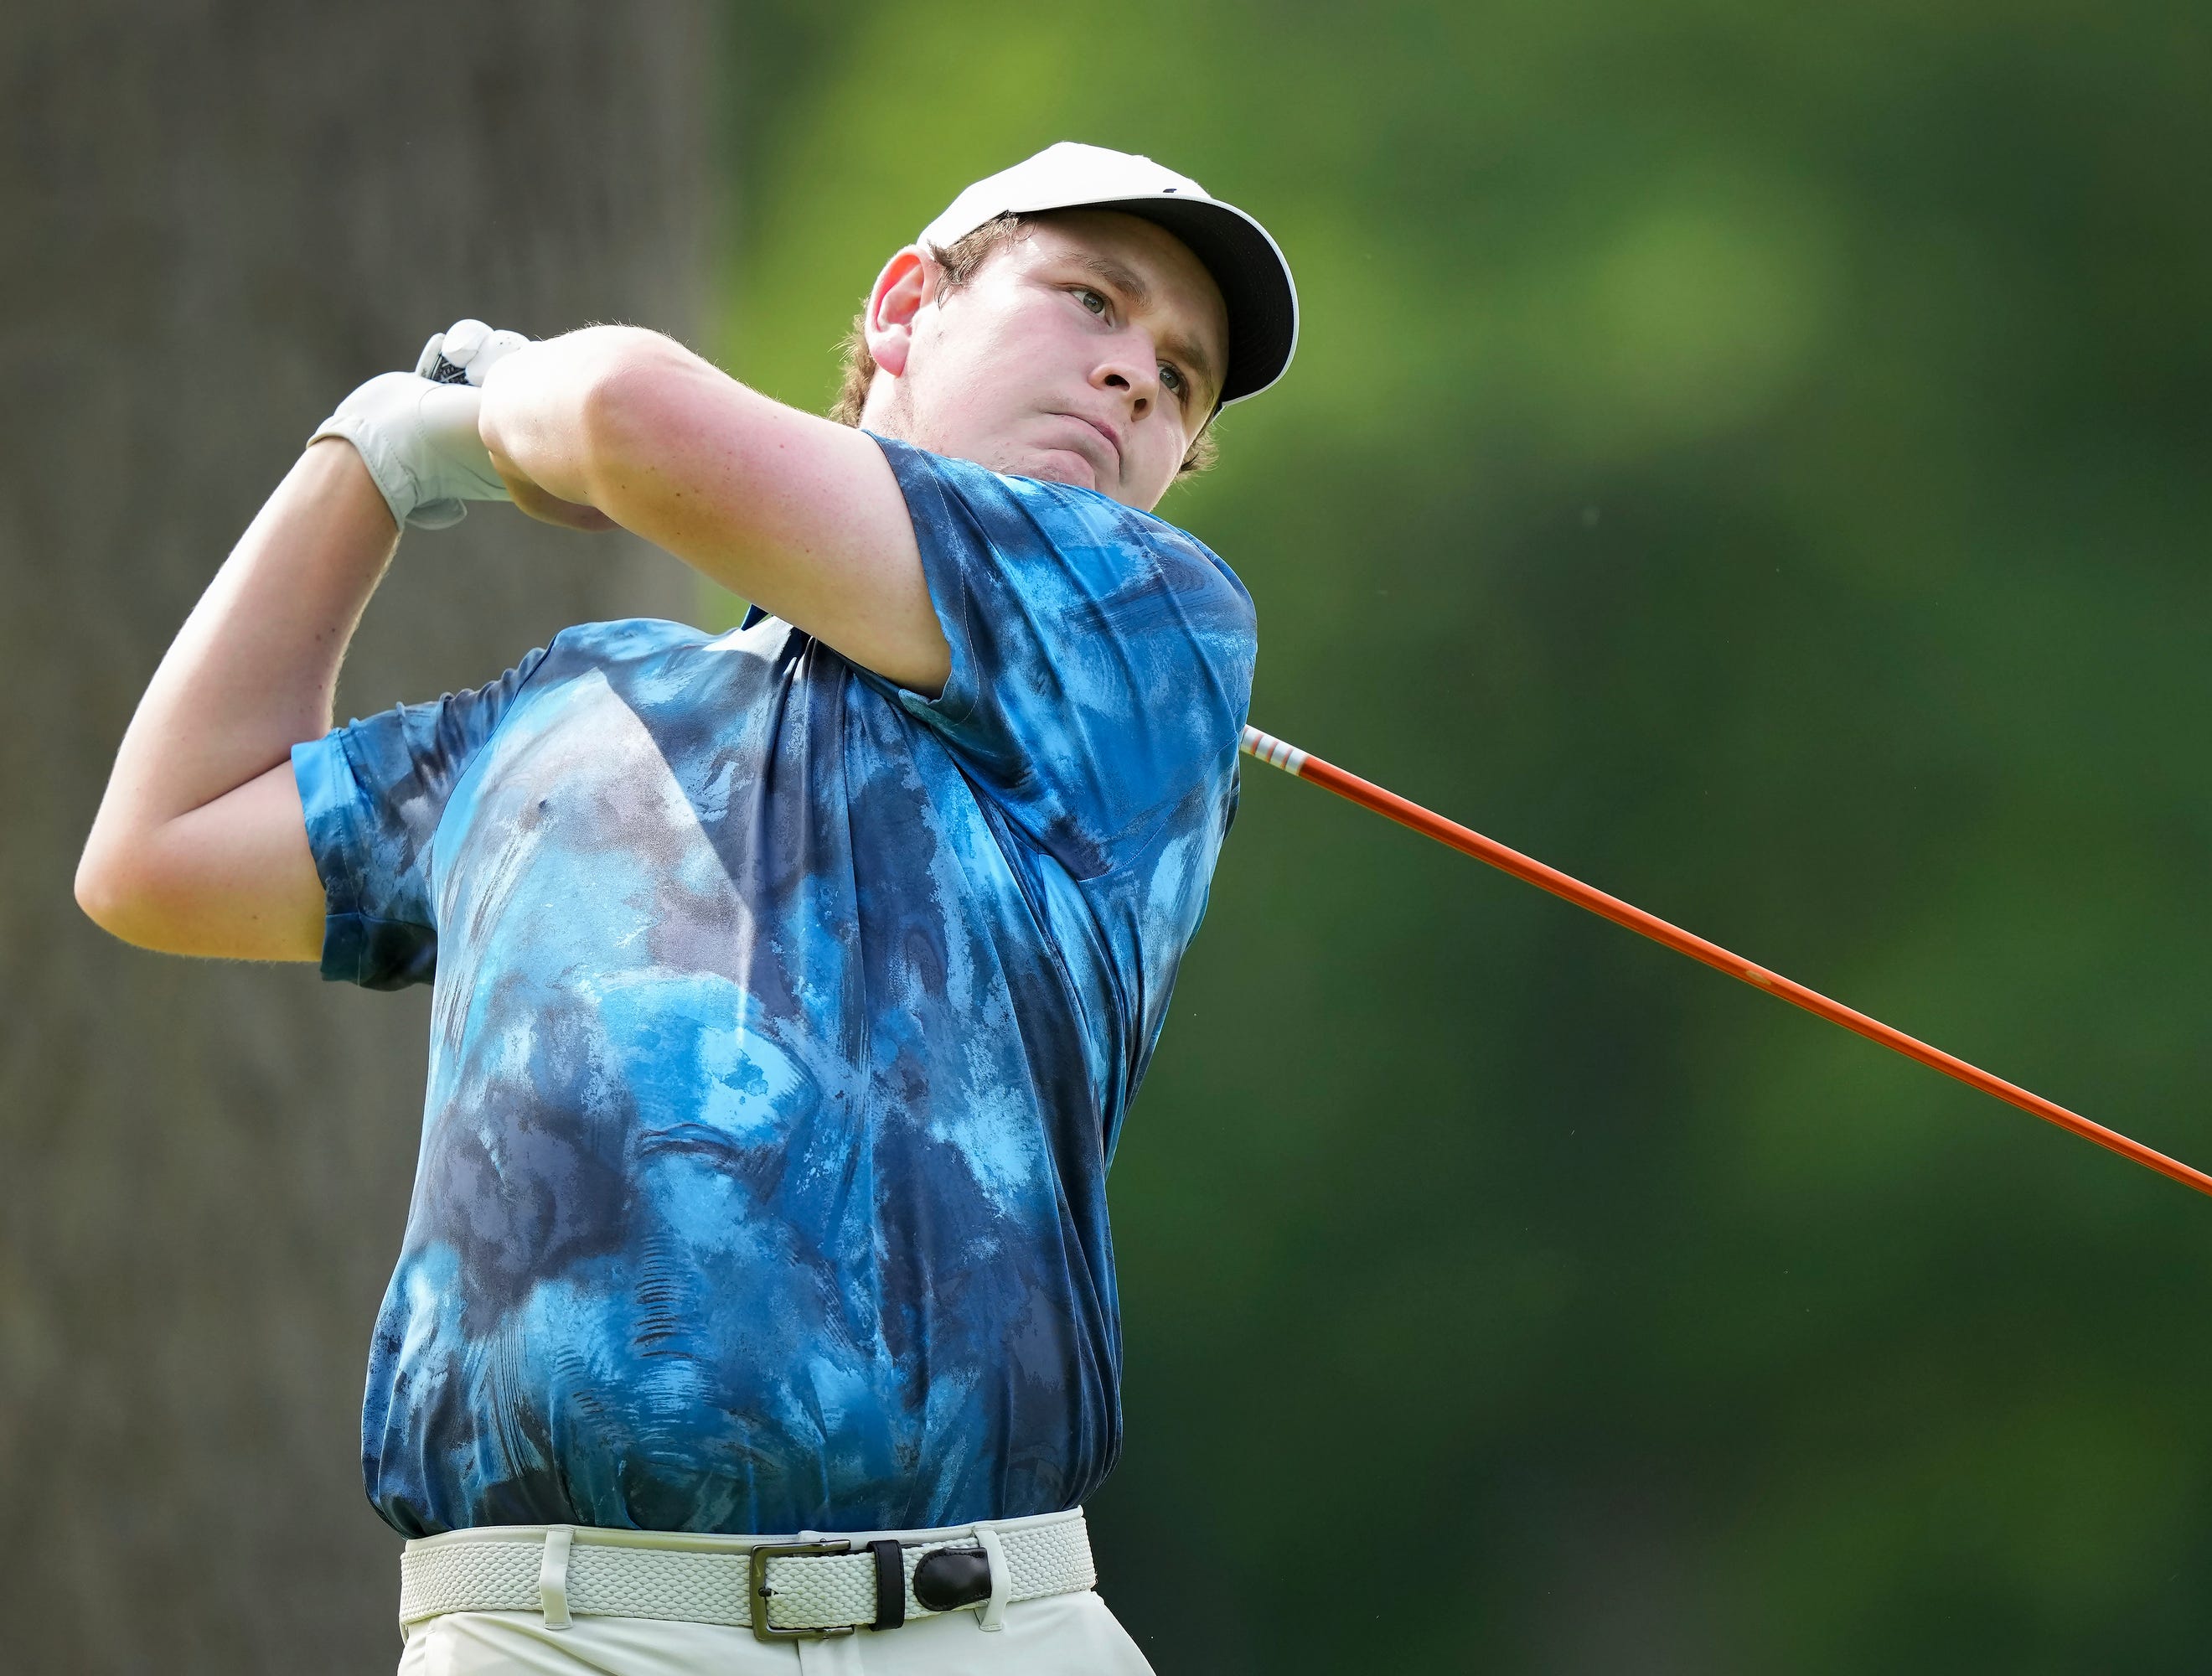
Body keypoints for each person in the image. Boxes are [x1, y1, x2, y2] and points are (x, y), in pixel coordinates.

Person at [75, 142, 1298, 1674]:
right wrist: (370, 464)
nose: (1135, 379)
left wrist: (495, 414)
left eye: (1181, 379)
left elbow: (620, 415)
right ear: (908, 306)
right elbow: (159, 848)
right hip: (550, 1637)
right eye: (1093, 303)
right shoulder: (573, 704)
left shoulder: (1145, 627)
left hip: (978, 1627)